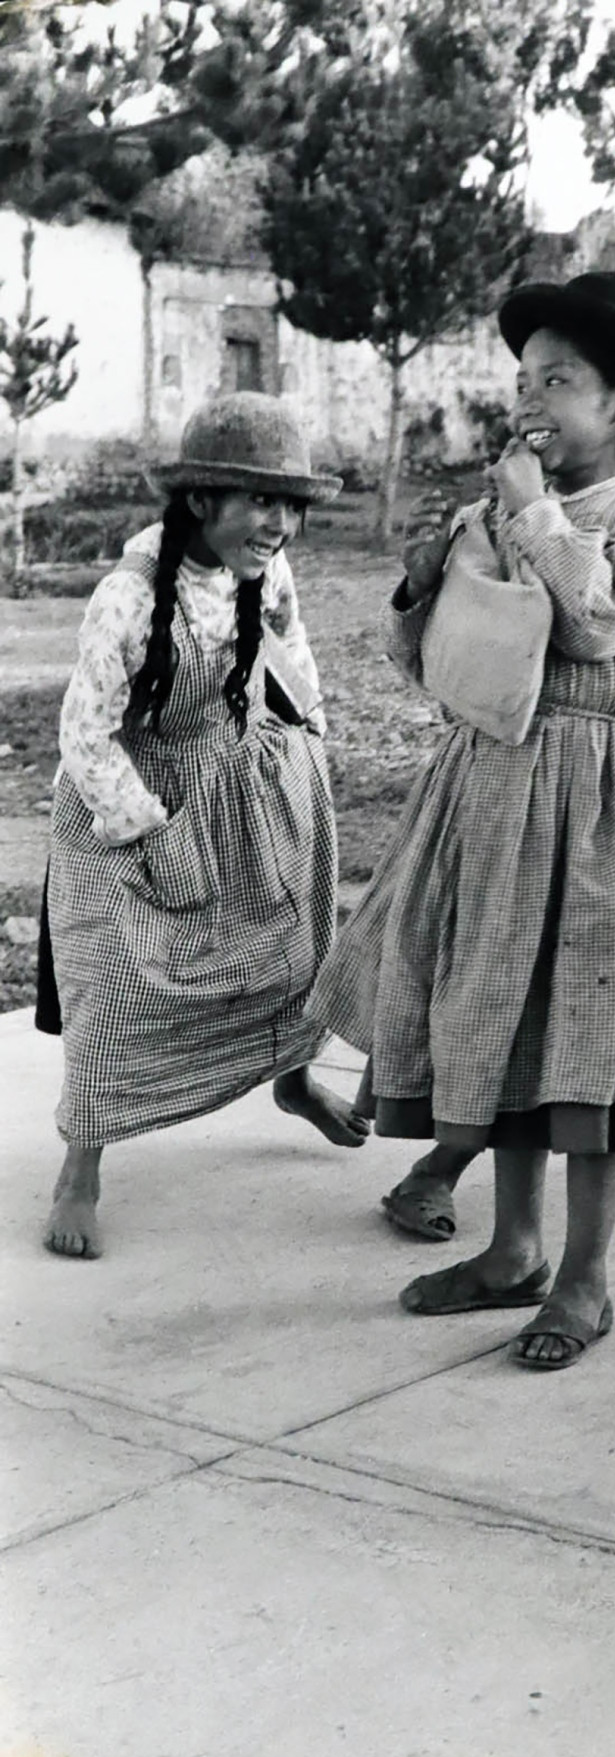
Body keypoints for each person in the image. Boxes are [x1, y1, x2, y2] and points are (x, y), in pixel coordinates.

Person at [308, 270, 615, 1369]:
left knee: (587, 1031)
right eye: (523, 376)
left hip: (593, 797)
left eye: (560, 379)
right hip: (485, 787)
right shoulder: (495, 514)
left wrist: (532, 512)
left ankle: (583, 1278)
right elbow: (436, 667)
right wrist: (421, 588)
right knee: (502, 1019)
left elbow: (598, 622)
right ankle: (512, 1250)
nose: (530, 396)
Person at [41, 392, 368, 1260]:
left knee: (286, 953)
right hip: (140, 803)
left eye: (290, 505)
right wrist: (150, 833)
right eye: (261, 501)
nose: (280, 524)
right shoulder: (127, 597)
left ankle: (293, 1082)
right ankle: (82, 1162)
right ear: (199, 502)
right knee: (118, 988)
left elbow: (292, 653)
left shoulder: (268, 574)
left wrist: (308, 742)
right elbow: (84, 735)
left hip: (245, 785)